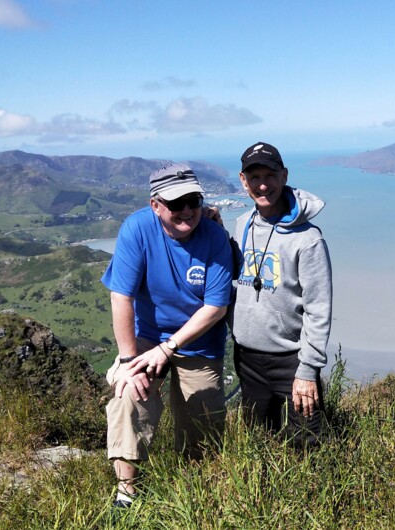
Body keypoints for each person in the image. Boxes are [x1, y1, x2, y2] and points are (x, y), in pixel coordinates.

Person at [102, 163, 234, 509]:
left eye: (193, 200)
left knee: (203, 420)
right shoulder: (137, 229)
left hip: (199, 339)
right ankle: (126, 493)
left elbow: (216, 307)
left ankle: (193, 485)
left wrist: (170, 347)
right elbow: (121, 297)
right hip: (147, 336)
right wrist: (130, 361)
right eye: (176, 203)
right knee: (129, 395)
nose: (187, 210)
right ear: (155, 204)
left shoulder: (215, 236)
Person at [231, 141, 333, 447]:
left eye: (270, 175)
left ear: (284, 175)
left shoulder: (308, 239)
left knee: (308, 445)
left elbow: (318, 308)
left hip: (291, 361)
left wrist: (308, 369)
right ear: (243, 180)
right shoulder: (241, 225)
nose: (263, 185)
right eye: (254, 177)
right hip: (247, 360)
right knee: (258, 447)